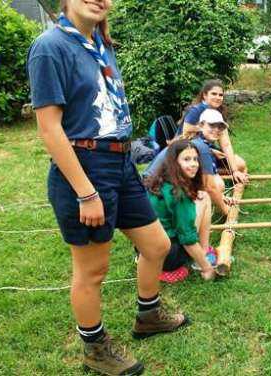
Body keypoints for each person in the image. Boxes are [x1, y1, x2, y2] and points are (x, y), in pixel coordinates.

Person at [27, 1, 188, 374]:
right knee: (93, 270)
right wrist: (86, 192)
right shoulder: (50, 47)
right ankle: (94, 349)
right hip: (85, 166)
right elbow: (50, 130)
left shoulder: (102, 44)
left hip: (121, 161)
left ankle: (148, 316)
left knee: (157, 245)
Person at [145, 140, 216, 282]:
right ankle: (203, 251)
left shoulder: (158, 181)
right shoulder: (178, 193)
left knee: (202, 196)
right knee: (204, 198)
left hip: (145, 249)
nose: (194, 164)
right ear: (174, 162)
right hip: (168, 256)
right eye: (186, 159)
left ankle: (203, 249)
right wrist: (207, 268)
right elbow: (187, 238)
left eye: (195, 159)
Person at [177, 80, 248, 186]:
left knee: (240, 165)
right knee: (236, 170)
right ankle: (210, 173)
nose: (218, 97)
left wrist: (235, 170)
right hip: (190, 150)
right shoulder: (196, 110)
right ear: (204, 95)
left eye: (221, 95)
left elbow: (226, 144)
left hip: (207, 149)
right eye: (214, 94)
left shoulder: (218, 113)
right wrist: (211, 150)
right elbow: (186, 133)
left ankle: (235, 184)